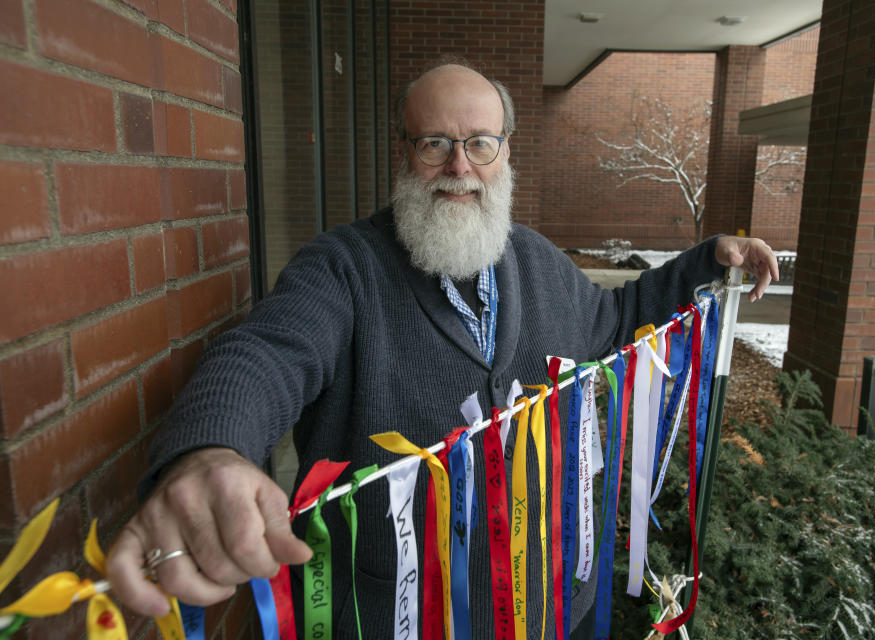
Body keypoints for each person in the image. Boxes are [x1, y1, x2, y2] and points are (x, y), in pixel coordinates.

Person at [106, 61, 778, 638]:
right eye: (435, 143)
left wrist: (703, 263)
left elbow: (616, 317)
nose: (459, 166)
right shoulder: (342, 270)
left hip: (541, 609)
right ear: (404, 153)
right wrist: (208, 451)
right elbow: (266, 354)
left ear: (506, 153)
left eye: (480, 143)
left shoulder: (537, 263)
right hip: (391, 618)